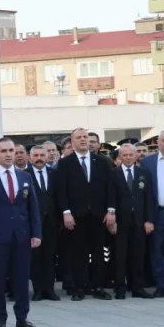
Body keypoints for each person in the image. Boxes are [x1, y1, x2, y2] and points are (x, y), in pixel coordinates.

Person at [0, 137, 41, 327]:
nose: (8, 154)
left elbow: (33, 208)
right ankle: (0, 318)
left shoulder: (25, 177)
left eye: (11, 150)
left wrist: (36, 233)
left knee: (21, 278)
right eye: (3, 151)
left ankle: (22, 317)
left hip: (22, 235)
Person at [54, 128, 117, 301]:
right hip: (76, 216)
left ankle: (97, 286)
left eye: (85, 137)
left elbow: (110, 187)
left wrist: (111, 210)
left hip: (98, 215)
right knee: (78, 253)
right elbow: (62, 191)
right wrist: (66, 213)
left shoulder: (102, 161)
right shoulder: (66, 163)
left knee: (98, 252)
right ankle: (79, 287)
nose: (83, 140)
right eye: (79, 137)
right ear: (72, 141)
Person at [111, 142, 155, 299]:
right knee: (120, 255)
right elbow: (110, 198)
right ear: (120, 157)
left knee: (138, 255)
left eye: (131, 155)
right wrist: (112, 219)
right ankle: (120, 288)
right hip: (120, 221)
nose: (128, 158)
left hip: (139, 220)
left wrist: (149, 220)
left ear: (136, 155)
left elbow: (149, 198)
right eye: (125, 155)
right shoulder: (113, 174)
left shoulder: (144, 173)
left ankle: (137, 287)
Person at [140, 129, 164, 297]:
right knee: (157, 250)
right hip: (158, 213)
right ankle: (160, 285)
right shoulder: (148, 163)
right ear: (158, 143)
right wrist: (148, 218)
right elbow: (145, 193)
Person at [28, 145, 60, 302]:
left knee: (50, 256)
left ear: (47, 157)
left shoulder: (54, 174)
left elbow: (59, 197)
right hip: (33, 223)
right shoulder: (24, 175)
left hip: (52, 222)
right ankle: (38, 290)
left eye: (42, 155)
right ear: (30, 157)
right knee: (36, 257)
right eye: (36, 155)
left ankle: (50, 289)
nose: (39, 158)